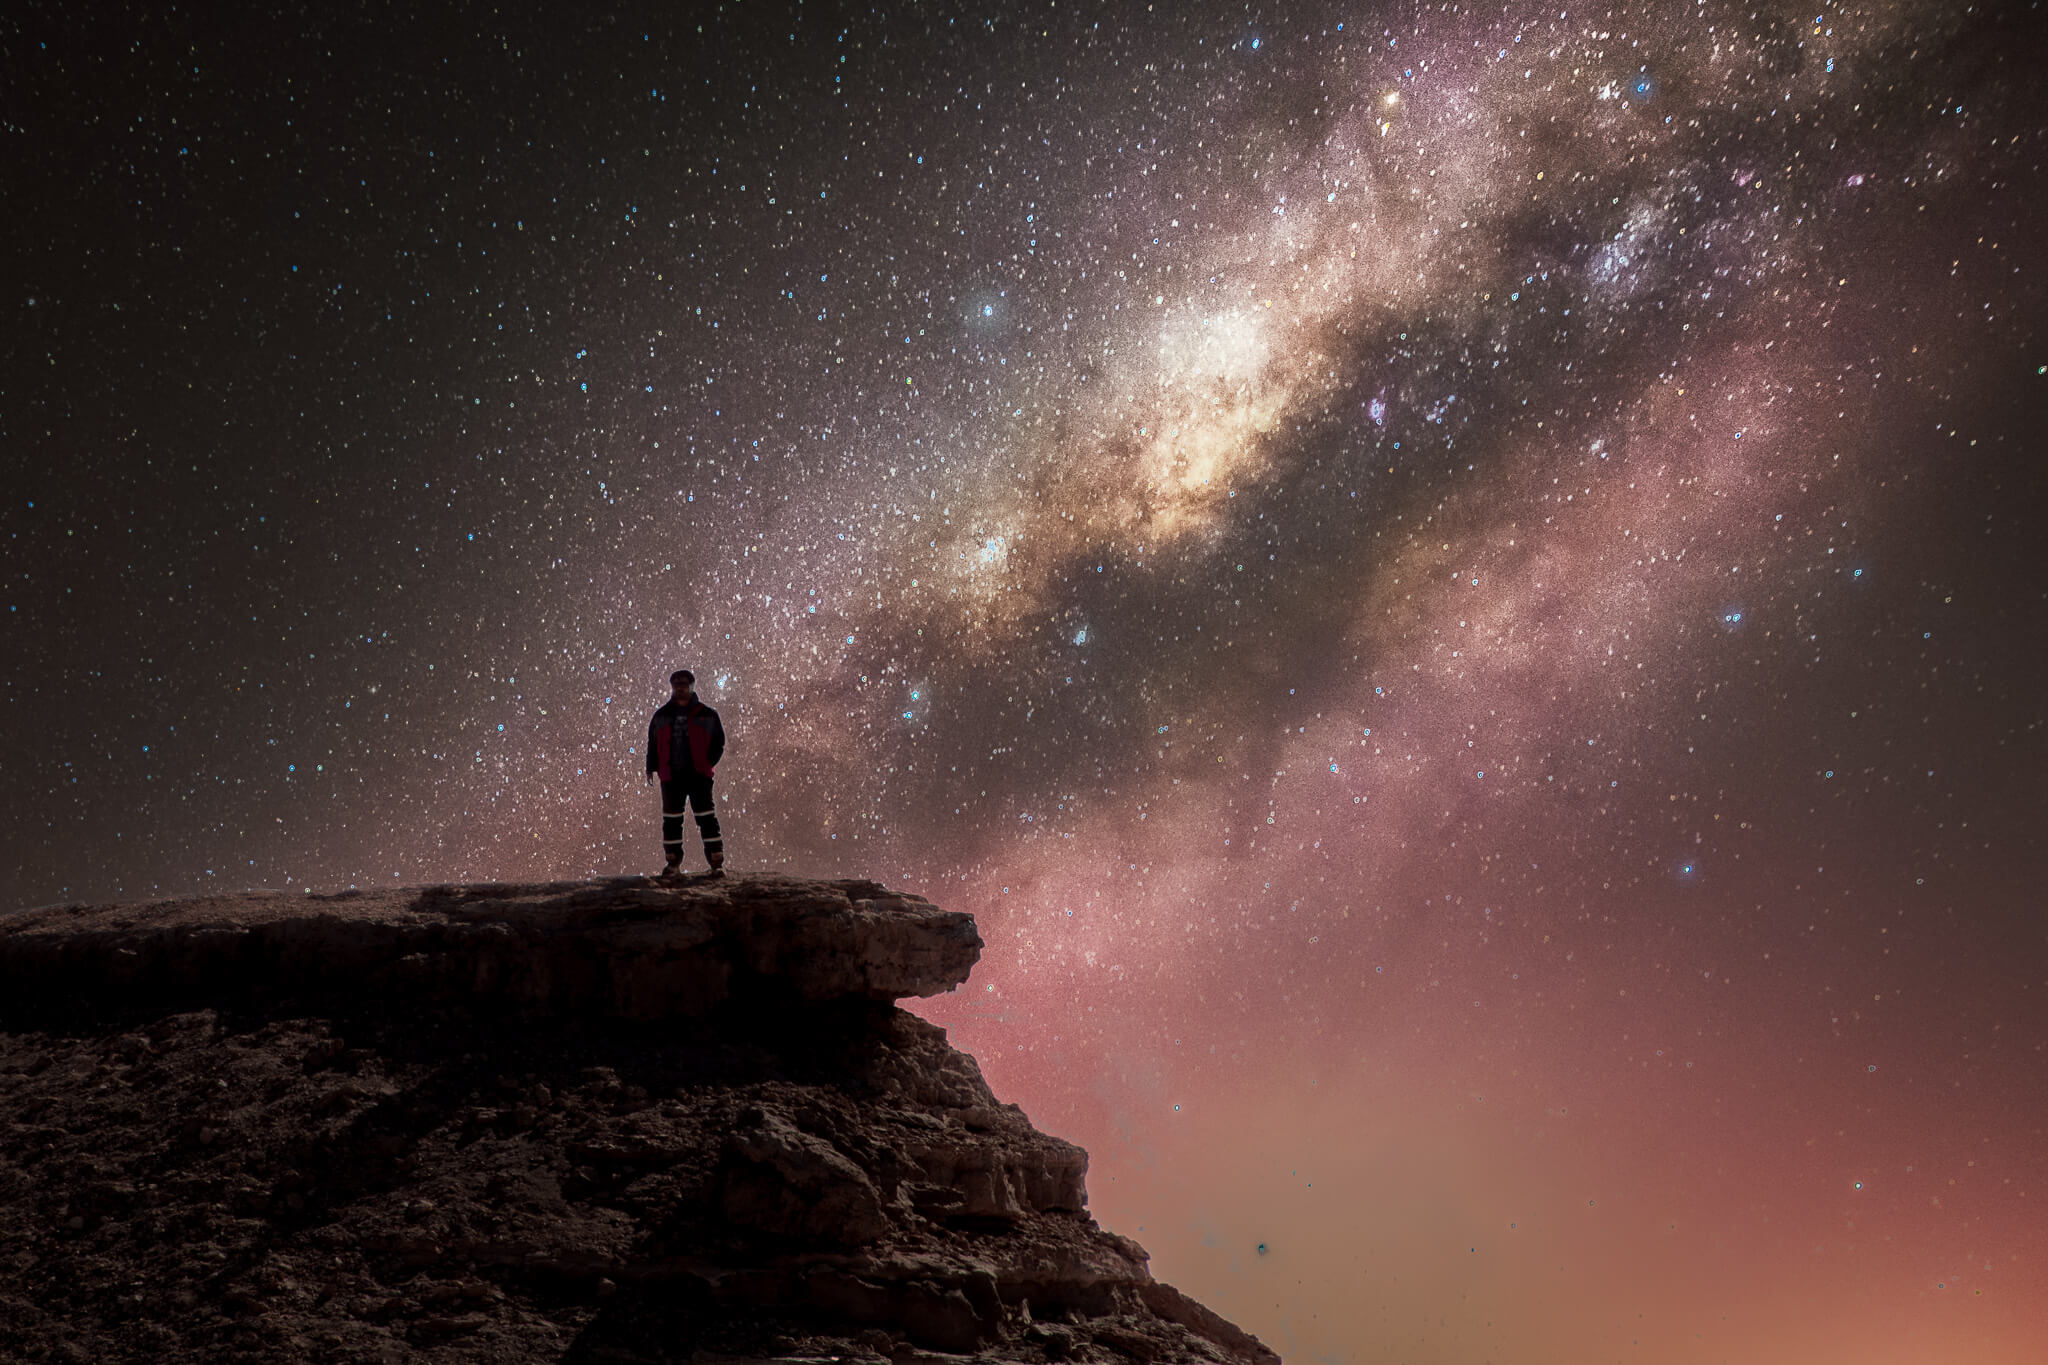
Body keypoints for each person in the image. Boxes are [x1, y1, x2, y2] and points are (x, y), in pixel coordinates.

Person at [644, 669, 726, 876]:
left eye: (684, 685)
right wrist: (651, 767)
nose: (680, 688)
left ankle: (716, 861)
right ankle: (673, 863)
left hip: (698, 775)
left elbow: (719, 743)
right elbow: (653, 745)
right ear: (672, 687)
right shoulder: (661, 716)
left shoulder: (708, 715)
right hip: (672, 776)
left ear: (691, 686)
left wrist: (707, 763)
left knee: (706, 817)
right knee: (672, 820)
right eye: (676, 685)